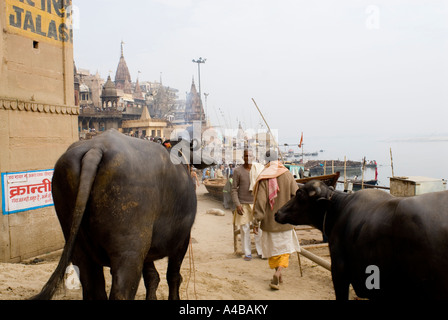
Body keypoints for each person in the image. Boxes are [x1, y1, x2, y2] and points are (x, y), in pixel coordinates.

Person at [253, 150, 300, 290]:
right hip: (285, 221)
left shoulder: (264, 177)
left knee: (273, 251)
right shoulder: (287, 174)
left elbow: (260, 202)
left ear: (266, 161)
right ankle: (279, 273)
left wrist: (256, 221)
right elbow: (296, 196)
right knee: (285, 250)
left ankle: (277, 274)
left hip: (269, 223)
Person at [231, 149, 263, 261]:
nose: (247, 158)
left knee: (258, 228)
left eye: (250, 155)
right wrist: (237, 204)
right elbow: (234, 189)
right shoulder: (238, 171)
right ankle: (247, 253)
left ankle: (260, 251)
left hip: (256, 203)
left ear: (253, 157)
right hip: (243, 203)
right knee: (244, 229)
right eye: (245, 156)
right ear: (243, 157)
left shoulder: (258, 169)